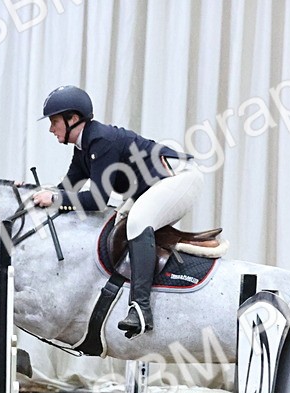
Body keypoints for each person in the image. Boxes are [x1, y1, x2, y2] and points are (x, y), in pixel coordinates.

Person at [32, 85, 201, 337]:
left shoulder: (101, 140)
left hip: (179, 178)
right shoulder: (83, 148)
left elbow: (97, 199)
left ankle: (141, 308)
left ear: (73, 119)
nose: (50, 129)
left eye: (54, 121)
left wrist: (54, 198)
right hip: (153, 186)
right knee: (119, 223)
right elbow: (66, 190)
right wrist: (32, 193)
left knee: (137, 222)